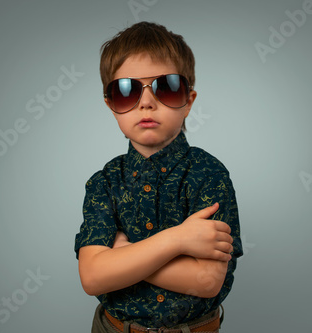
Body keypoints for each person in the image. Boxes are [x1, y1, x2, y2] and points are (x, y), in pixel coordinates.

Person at [74, 21, 243, 333]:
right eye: (127, 91)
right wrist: (178, 239)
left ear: (188, 102)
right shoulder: (104, 183)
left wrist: (124, 255)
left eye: (166, 86)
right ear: (112, 105)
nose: (146, 102)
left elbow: (207, 281)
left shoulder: (210, 176)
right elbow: (93, 276)